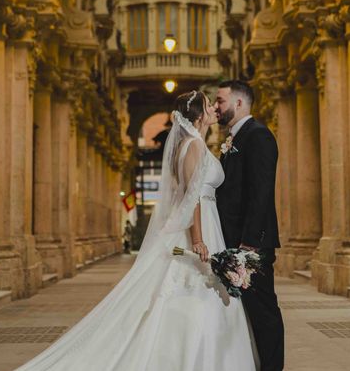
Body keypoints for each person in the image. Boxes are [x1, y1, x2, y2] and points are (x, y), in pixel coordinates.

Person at [16, 90, 257, 371]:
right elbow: (192, 198)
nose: (215, 109)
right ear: (199, 114)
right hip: (200, 228)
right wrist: (199, 240)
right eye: (209, 105)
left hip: (208, 223)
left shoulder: (193, 144)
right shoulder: (193, 145)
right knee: (191, 295)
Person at [214, 79, 285, 371]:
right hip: (233, 242)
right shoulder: (236, 139)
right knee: (247, 311)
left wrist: (250, 243)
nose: (216, 107)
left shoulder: (258, 136)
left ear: (239, 103)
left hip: (251, 244)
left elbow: (261, 192)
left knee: (263, 311)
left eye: (220, 101)